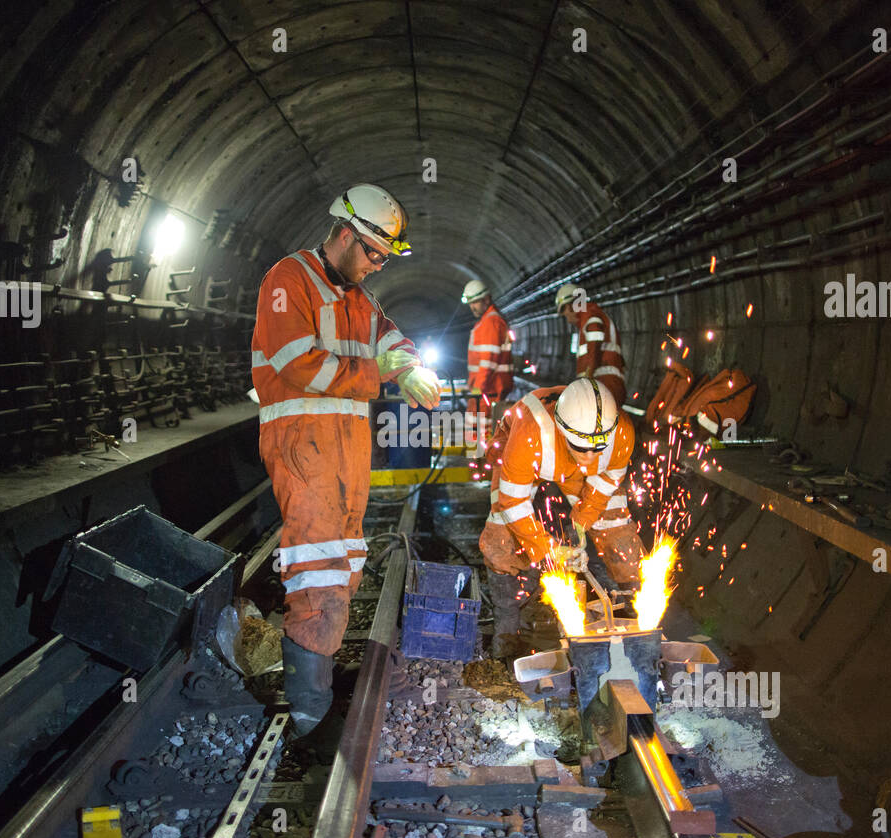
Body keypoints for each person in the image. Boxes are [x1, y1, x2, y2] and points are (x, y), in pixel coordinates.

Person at [251, 183, 441, 740]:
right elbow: (296, 362)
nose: (378, 266)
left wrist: (408, 368)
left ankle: (321, 678)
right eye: (374, 253)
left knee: (345, 558)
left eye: (386, 257)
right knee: (316, 563)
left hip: (347, 446)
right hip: (302, 440)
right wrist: (381, 375)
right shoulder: (288, 281)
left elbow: (390, 337)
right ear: (343, 234)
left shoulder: (360, 300)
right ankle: (308, 711)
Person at [477, 378, 646, 657]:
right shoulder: (530, 435)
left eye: (598, 448)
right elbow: (513, 503)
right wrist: (548, 549)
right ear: (561, 430)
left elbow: (605, 483)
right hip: (531, 456)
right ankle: (507, 627)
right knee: (500, 536)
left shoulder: (622, 434)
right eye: (581, 448)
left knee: (617, 530)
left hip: (563, 459)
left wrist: (580, 525)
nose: (589, 458)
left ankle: (636, 611)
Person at [555, 284, 627, 405]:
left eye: (564, 311)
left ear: (570, 305)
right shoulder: (591, 316)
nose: (566, 317)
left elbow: (594, 347)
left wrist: (586, 379)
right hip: (605, 384)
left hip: (603, 384)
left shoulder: (590, 316)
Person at [462, 280, 514, 442]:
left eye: (475, 302)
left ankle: (482, 464)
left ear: (487, 299)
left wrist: (478, 388)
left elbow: (487, 362)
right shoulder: (489, 321)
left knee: (480, 434)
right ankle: (480, 463)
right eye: (470, 303)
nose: (472, 307)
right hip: (489, 388)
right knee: (481, 432)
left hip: (488, 389)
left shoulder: (491, 322)